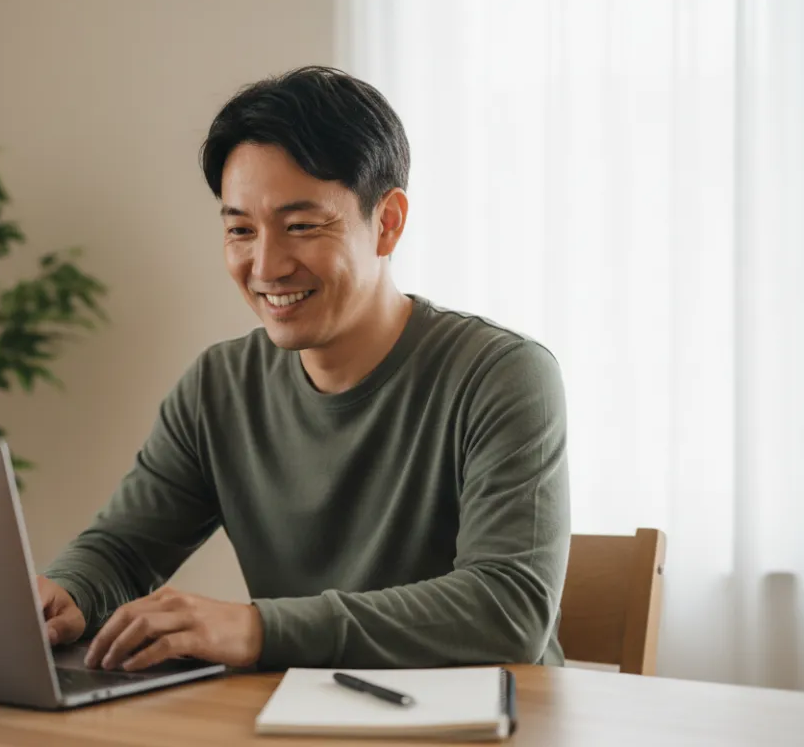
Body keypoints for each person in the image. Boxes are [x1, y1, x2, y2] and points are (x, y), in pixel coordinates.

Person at [38, 66, 571, 673]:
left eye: (300, 227)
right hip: (296, 712)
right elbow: (123, 550)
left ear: (388, 223)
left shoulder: (503, 376)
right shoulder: (220, 387)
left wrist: (258, 628)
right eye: (240, 230)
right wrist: (66, 593)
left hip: (481, 715)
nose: (266, 266)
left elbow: (507, 611)